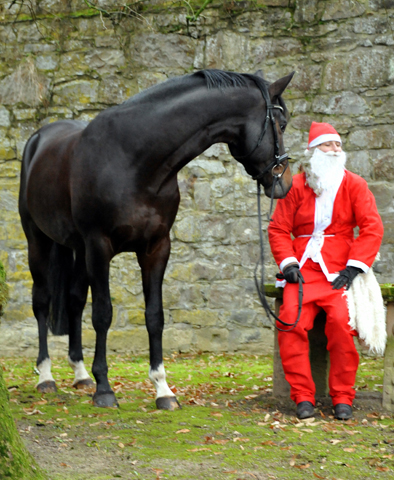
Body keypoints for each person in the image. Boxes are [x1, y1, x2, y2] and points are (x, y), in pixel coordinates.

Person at [268, 121, 384, 420]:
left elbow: (372, 227)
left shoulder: (354, 184)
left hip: (339, 270)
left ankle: (343, 396)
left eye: (338, 145)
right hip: (303, 270)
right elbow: (279, 228)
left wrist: (355, 267)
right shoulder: (295, 185)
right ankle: (303, 396)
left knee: (342, 327)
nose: (335, 150)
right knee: (290, 322)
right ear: (313, 152)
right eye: (327, 145)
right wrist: (288, 264)